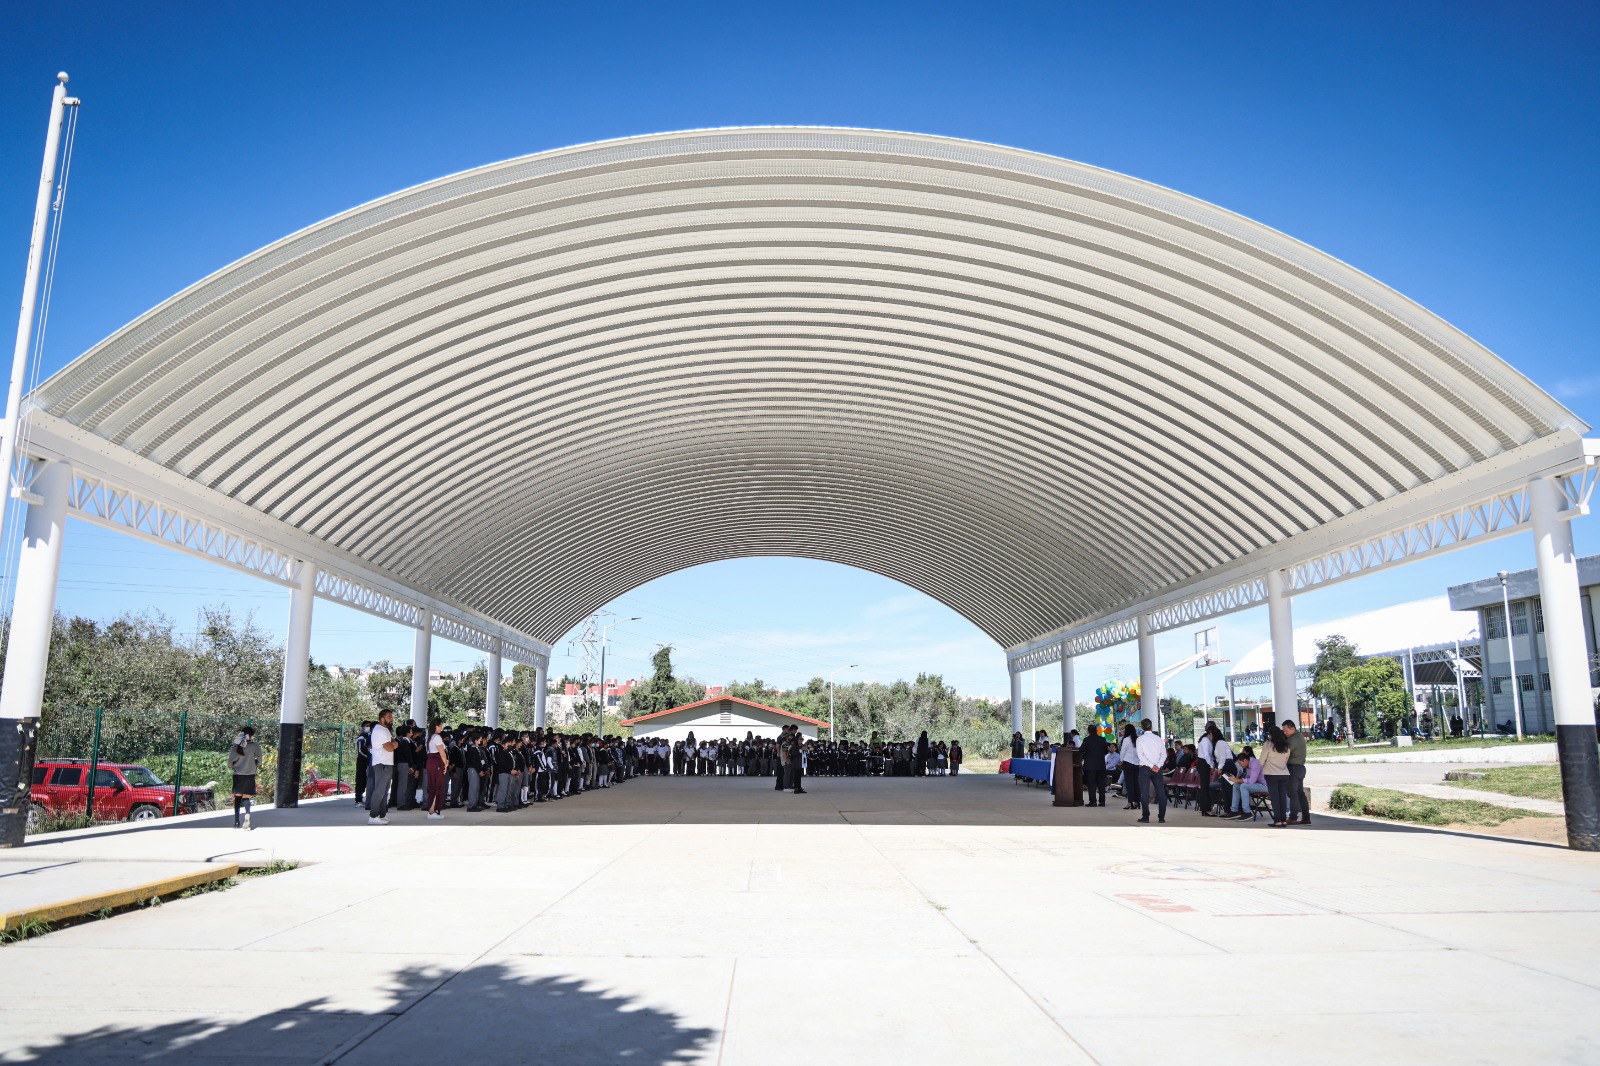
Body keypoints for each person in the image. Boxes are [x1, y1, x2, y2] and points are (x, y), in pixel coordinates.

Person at [227, 726, 263, 830]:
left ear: (242, 734)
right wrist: (254, 764)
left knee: (237, 798)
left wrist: (235, 766)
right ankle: (247, 813)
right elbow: (259, 761)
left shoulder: (236, 746)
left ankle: (236, 822)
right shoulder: (255, 746)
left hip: (238, 775)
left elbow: (230, 763)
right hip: (250, 774)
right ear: (252, 736)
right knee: (246, 797)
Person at [1133, 719, 1167, 823]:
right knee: (1161, 792)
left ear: (1142, 728)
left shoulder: (1140, 739)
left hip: (1145, 768)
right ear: (1151, 727)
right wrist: (1158, 765)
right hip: (1158, 768)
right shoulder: (1158, 739)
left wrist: (1152, 765)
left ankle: (1146, 816)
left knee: (1145, 793)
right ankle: (1161, 817)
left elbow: (1141, 756)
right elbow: (1164, 755)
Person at [367, 709, 398, 825]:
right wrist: (395, 744)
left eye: (391, 716)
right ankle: (373, 816)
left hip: (387, 763)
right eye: (389, 717)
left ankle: (381, 814)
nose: (392, 719)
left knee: (384, 791)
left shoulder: (385, 730)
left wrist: (393, 743)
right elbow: (389, 747)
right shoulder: (380, 730)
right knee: (379, 790)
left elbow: (391, 743)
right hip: (382, 764)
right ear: (382, 719)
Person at [1260, 725, 1293, 827]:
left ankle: (1277, 820)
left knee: (1275, 798)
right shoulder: (1286, 745)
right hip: (1284, 774)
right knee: (1282, 797)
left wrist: (1263, 766)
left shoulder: (1268, 745)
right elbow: (1287, 758)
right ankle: (1283, 820)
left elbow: (1261, 760)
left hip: (1271, 774)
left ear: (1270, 735)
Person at [1223, 746, 1265, 818]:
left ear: (1245, 760)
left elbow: (1251, 781)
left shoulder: (1255, 763)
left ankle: (1247, 812)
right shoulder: (1247, 765)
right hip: (1256, 785)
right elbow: (1247, 778)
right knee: (1236, 785)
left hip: (1263, 786)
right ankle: (1234, 810)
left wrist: (1236, 780)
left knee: (1243, 786)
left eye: (1240, 763)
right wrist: (1237, 779)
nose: (1240, 766)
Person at [1283, 719, 1310, 825]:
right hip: (1300, 768)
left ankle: (1293, 817)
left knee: (1293, 794)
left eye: (1286, 731)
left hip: (1293, 768)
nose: (1285, 733)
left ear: (1292, 728)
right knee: (1300, 794)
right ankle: (1306, 817)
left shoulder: (1292, 740)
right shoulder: (1299, 736)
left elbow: (1284, 751)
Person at [423, 720, 448, 820]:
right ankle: (432, 811)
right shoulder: (436, 737)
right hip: (436, 762)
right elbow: (442, 753)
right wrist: (445, 764)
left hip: (431, 762)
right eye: (440, 726)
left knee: (433, 785)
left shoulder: (429, 737)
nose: (441, 728)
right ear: (436, 726)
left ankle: (432, 810)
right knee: (437, 786)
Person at [1079, 727, 1109, 806]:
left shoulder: (1086, 740)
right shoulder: (1103, 739)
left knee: (1091, 784)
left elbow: (1080, 750)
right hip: (1101, 765)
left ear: (1088, 731)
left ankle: (1093, 801)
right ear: (1096, 731)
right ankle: (1102, 801)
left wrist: (1086, 754)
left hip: (1090, 766)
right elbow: (1106, 751)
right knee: (1101, 784)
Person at [1118, 723, 1141, 809]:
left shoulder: (1126, 739)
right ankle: (1137, 802)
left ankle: (1130, 802)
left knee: (1129, 783)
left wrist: (1121, 761)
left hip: (1128, 762)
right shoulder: (1138, 739)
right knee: (1136, 783)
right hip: (1137, 763)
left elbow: (1123, 751)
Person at [354, 721, 372, 807]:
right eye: (367, 726)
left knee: (366, 780)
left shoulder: (369, 736)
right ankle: (358, 800)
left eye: (369, 726)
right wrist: (368, 756)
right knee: (360, 780)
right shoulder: (361, 737)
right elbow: (360, 751)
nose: (368, 727)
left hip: (367, 762)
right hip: (362, 762)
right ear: (362, 727)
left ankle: (362, 798)